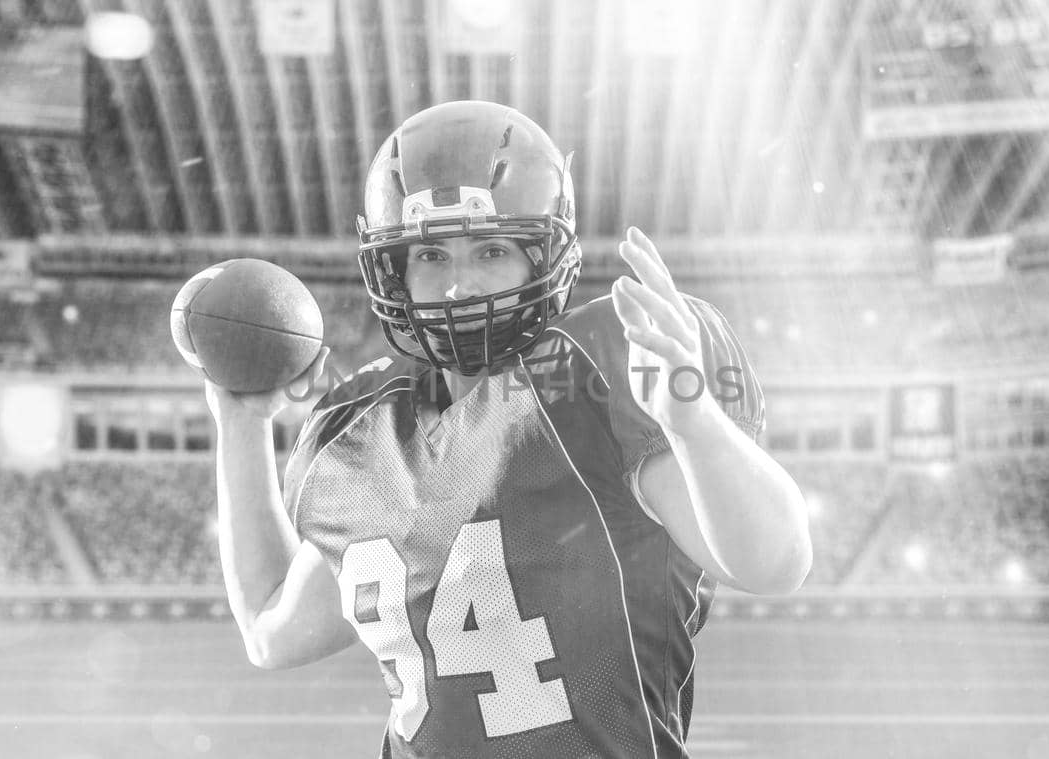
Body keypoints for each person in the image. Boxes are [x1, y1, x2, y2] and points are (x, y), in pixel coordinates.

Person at [208, 100, 812, 758]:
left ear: (543, 256)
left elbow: (774, 562)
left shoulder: (596, 375)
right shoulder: (360, 430)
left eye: (491, 249)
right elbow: (271, 628)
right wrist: (238, 422)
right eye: (431, 254)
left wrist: (695, 425)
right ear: (395, 269)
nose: (460, 285)